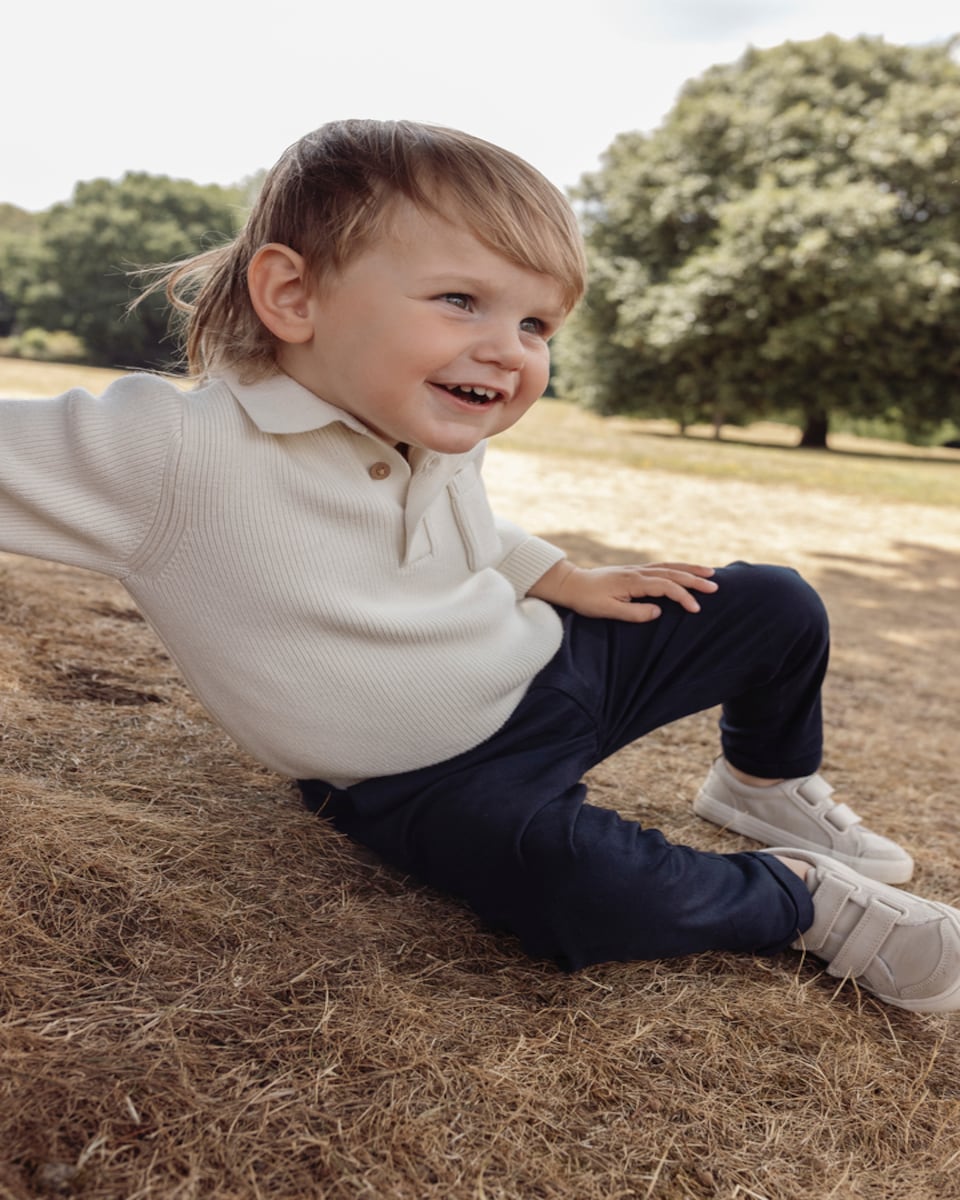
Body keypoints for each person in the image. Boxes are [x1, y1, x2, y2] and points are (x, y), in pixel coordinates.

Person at [2, 119, 958, 1013]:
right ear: (292, 295)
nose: (509, 351)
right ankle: (801, 901)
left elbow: (468, 529)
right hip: (425, 782)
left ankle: (762, 786)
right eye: (462, 300)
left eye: (537, 325)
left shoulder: (436, 419)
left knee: (770, 602)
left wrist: (562, 577)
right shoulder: (171, 450)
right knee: (579, 887)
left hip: (545, 670)